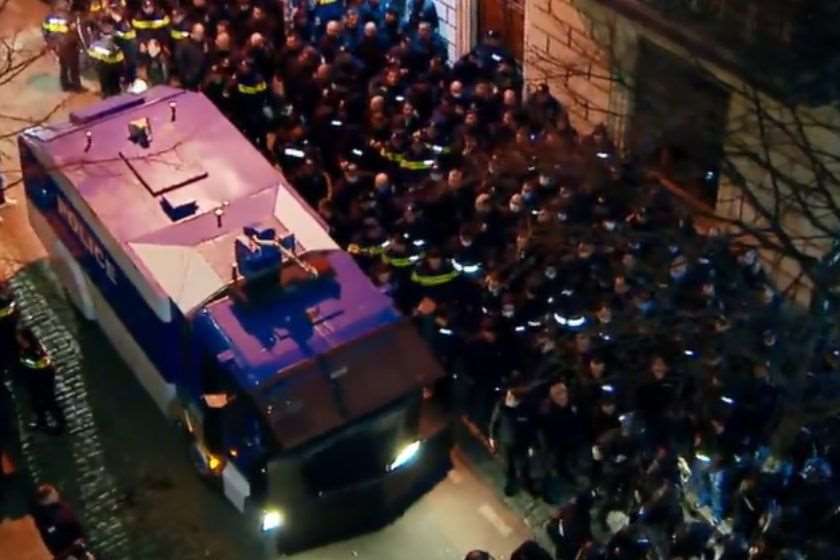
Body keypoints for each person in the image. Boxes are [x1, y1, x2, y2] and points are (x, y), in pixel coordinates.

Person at [17, 329, 65, 435]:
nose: (19, 340)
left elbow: (44, 366)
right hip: (32, 381)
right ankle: (41, 421)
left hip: (42, 381)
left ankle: (60, 424)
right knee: (35, 403)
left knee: (50, 402)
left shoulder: (37, 351)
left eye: (21, 339)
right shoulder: (24, 350)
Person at [31, 484, 87, 559]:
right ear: (46, 499)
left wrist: (81, 539)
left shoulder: (61, 506)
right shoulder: (43, 517)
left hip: (78, 545)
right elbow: (53, 538)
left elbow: (74, 523)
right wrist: (68, 553)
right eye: (53, 494)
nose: (57, 494)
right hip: (67, 552)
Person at [42, 1, 83, 92]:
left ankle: (65, 85)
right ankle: (76, 86)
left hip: (58, 44)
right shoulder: (70, 17)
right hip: (69, 44)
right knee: (73, 66)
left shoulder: (50, 17)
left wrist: (49, 42)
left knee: (63, 66)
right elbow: (77, 32)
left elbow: (45, 30)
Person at [88, 21, 125, 97]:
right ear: (101, 34)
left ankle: (115, 94)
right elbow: (92, 53)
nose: (109, 36)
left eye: (110, 34)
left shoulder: (118, 39)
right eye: (107, 34)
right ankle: (107, 94)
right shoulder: (97, 43)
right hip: (105, 65)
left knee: (116, 84)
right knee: (106, 85)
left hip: (116, 65)